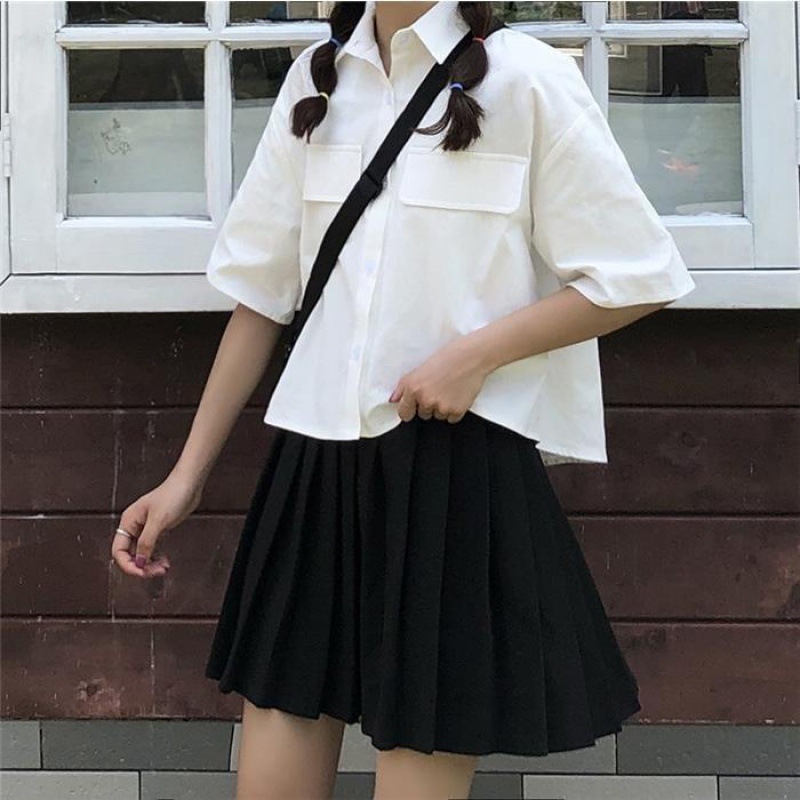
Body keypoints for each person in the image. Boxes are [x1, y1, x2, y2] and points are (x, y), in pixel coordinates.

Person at [111, 2, 696, 798]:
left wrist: (474, 357)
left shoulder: (528, 80)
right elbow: (261, 296)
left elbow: (637, 276)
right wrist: (185, 478)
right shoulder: (316, 80)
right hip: (313, 471)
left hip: (454, 477)